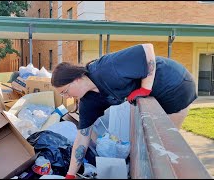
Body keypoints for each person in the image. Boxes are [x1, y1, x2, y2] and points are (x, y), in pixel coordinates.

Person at [50, 44, 197, 179]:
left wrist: (145, 88)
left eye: (65, 91)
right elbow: (82, 138)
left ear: (76, 79)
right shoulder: (88, 102)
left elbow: (147, 50)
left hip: (175, 83)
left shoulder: (105, 68)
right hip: (157, 94)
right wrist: (70, 175)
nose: (67, 97)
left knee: (166, 146)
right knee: (159, 147)